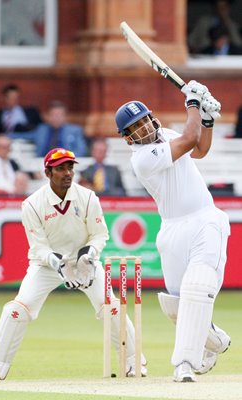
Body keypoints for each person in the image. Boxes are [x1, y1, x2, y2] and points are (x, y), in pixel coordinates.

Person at [0, 147, 147, 380]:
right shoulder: (32, 204)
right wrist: (58, 263)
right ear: (48, 173)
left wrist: (89, 255)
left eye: (70, 167)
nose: (67, 173)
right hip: (46, 265)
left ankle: (133, 362)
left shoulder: (88, 197)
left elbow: (100, 235)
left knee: (111, 306)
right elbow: (38, 247)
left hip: (83, 262)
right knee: (18, 309)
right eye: (60, 169)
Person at [115, 81, 231, 383]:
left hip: (205, 220)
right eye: (135, 128)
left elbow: (200, 148)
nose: (144, 128)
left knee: (197, 287)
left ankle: (183, 364)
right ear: (128, 139)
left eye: (144, 120)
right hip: (172, 230)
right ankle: (216, 342)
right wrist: (193, 102)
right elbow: (190, 138)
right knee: (176, 306)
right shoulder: (142, 160)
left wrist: (206, 118)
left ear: (152, 117)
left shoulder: (165, 134)